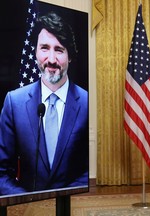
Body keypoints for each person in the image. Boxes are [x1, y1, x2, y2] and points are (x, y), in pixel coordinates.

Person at [0, 12, 88, 195]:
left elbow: (90, 170)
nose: (51, 59)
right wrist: (29, 202)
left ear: (70, 56)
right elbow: (2, 173)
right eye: (45, 48)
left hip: (73, 206)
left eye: (59, 49)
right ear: (35, 51)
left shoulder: (87, 103)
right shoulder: (13, 102)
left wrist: (61, 198)